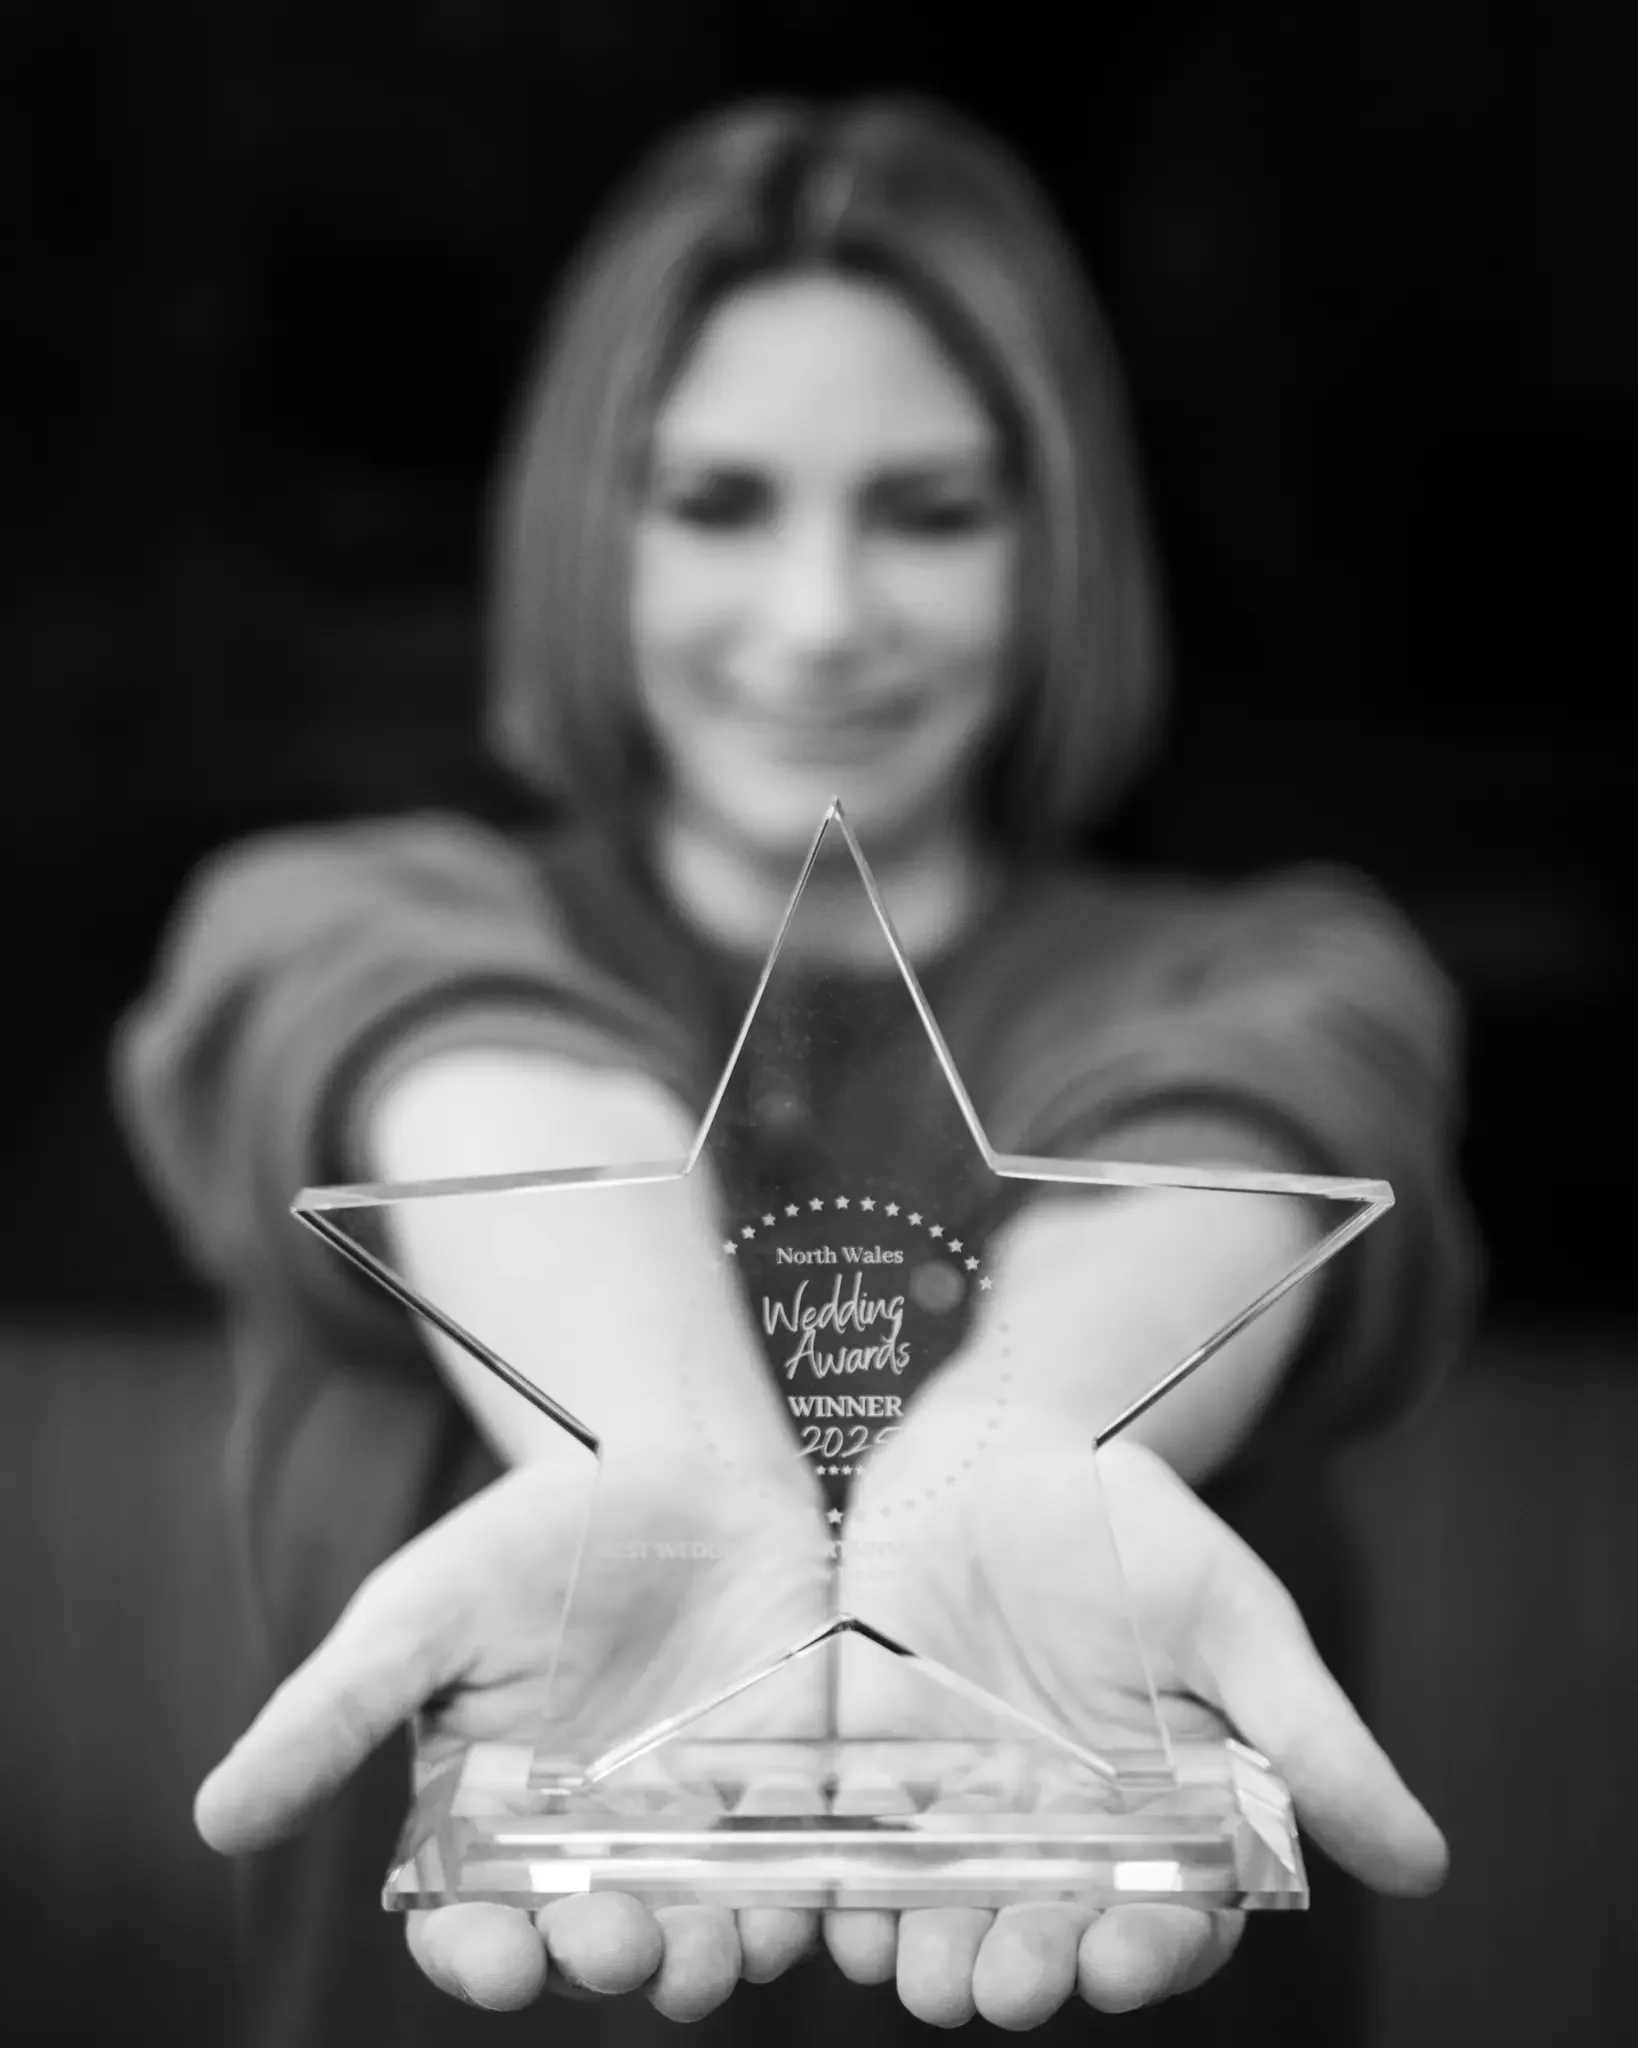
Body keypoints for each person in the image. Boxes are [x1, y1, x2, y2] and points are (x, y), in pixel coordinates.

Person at [114, 96, 1477, 2048]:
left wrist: (1033, 1447)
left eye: (929, 512)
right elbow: (455, 1042)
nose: (821, 618)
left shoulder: (1276, 968)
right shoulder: (349, 915)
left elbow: (1244, 1125)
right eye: (719, 503)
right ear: (592, 521)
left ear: (1056, 538)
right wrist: (662, 1438)